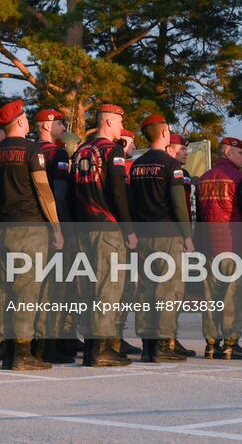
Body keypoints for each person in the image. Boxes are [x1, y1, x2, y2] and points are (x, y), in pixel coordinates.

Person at [0, 99, 62, 371]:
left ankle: (7, 352)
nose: (27, 120)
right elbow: (43, 191)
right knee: (27, 292)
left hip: (2, 228)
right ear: (18, 121)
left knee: (5, 291)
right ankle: (22, 353)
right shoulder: (31, 150)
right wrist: (56, 228)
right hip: (30, 228)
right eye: (25, 117)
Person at [70, 103, 136, 368]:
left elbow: (72, 194)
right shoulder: (113, 151)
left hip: (84, 227)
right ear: (109, 122)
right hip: (107, 227)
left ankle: (90, 348)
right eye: (119, 122)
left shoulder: (80, 152)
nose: (121, 128)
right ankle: (100, 350)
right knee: (108, 289)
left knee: (87, 289)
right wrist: (129, 230)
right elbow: (118, 193)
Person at [129, 119, 193, 362]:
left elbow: (132, 202)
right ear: (165, 132)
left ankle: (147, 345)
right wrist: (187, 236)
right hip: (167, 236)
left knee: (145, 290)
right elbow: (178, 203)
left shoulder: (136, 165)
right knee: (168, 291)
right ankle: (163, 345)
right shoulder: (171, 165)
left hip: (143, 235)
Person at [196, 135, 242, 360]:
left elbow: (201, 218)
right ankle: (231, 343)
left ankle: (211, 345)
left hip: (209, 248)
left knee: (211, 298)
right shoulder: (239, 179)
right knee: (233, 296)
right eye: (240, 153)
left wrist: (200, 245)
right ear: (228, 153)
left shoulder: (203, 179)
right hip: (234, 246)